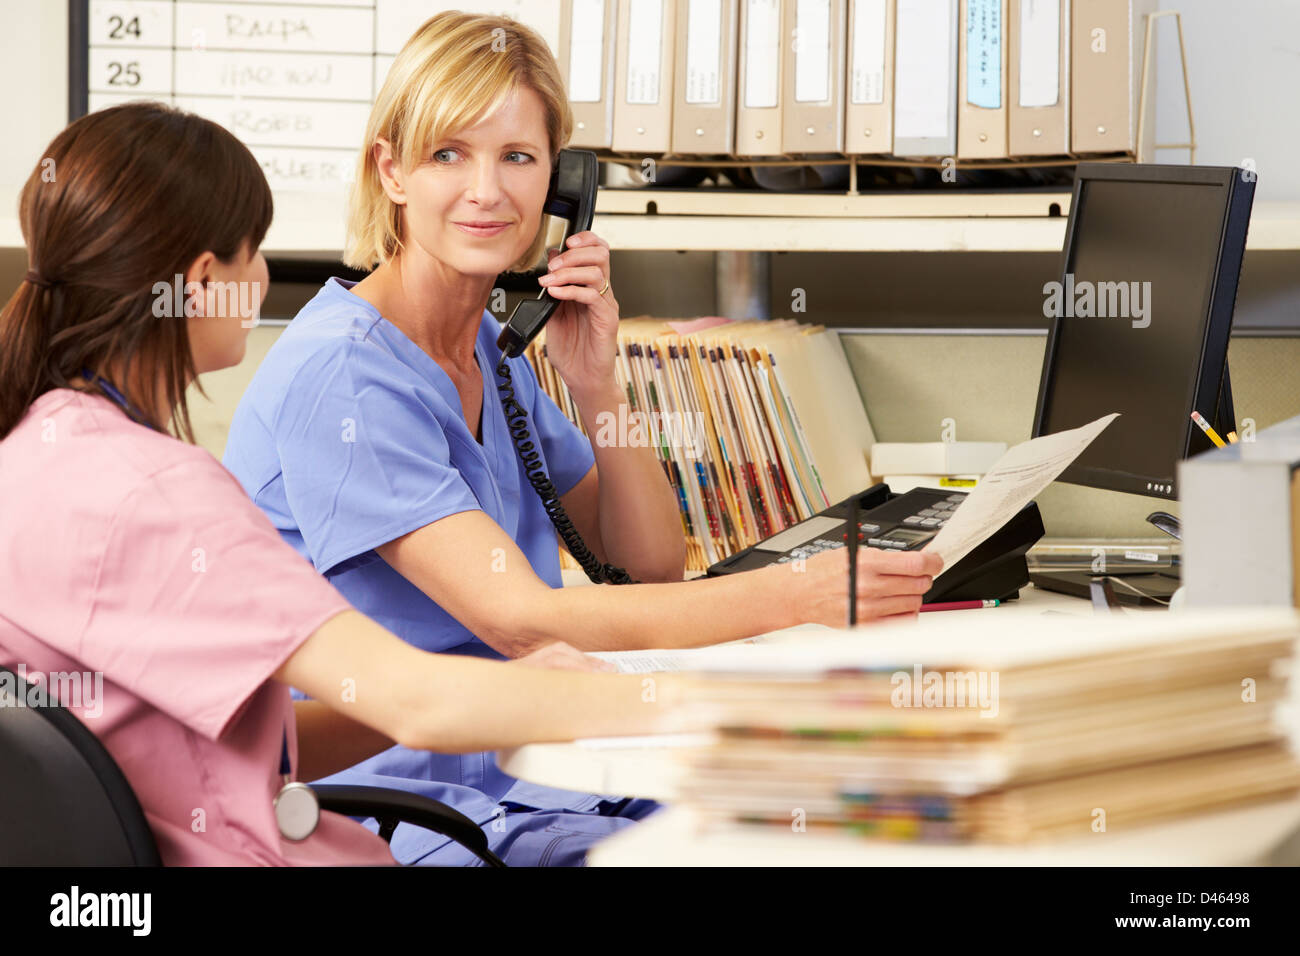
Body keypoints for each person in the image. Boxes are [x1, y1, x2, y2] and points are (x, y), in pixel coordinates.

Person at [223, 11, 944, 866]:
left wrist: (601, 381)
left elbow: (645, 564)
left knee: (856, 813)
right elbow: (523, 623)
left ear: (560, 187)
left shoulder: (492, 348)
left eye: (517, 158)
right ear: (393, 170)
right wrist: (800, 596)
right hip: (402, 801)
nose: (487, 190)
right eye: (449, 153)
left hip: (537, 762)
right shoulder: (345, 375)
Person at [0, 101, 683, 867]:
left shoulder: (36, 453)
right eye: (251, 250)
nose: (260, 275)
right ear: (203, 281)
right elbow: (414, 703)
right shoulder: (164, 495)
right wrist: (729, 706)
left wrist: (505, 683)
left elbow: (268, 739)